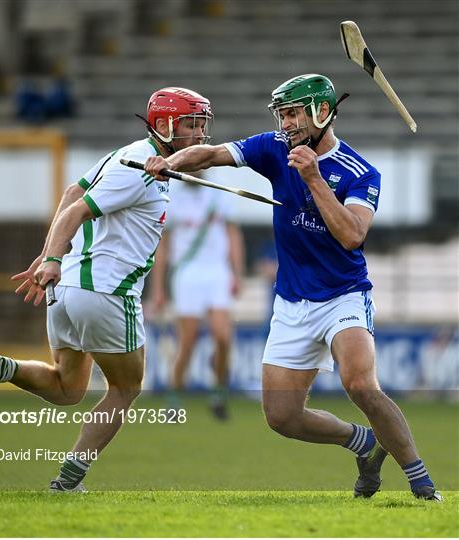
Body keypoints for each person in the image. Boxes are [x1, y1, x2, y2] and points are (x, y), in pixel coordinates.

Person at [144, 74, 442, 501]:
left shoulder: (361, 172)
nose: (285, 124)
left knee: (360, 384)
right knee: (281, 416)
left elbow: (353, 235)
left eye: (293, 114)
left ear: (322, 112)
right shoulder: (272, 147)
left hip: (344, 295)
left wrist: (314, 179)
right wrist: (170, 162)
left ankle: (421, 482)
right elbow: (211, 153)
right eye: (281, 114)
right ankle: (363, 443)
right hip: (291, 302)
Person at [0, 87, 213, 492]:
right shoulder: (140, 166)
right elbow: (77, 208)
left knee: (67, 388)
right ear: (163, 126)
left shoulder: (131, 153)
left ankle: (0, 367)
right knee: (126, 389)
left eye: (200, 125)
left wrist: (51, 255)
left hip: (68, 290)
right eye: (191, 125)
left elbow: (73, 191)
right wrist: (50, 257)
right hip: (106, 292)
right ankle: (69, 481)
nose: (198, 134)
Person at [148, 179, 244, 420]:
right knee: (187, 341)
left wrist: (237, 273)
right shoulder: (172, 197)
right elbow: (164, 247)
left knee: (223, 337)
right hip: (187, 272)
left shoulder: (218, 194)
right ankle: (173, 398)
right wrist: (158, 288)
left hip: (217, 271)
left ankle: (218, 393)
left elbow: (233, 235)